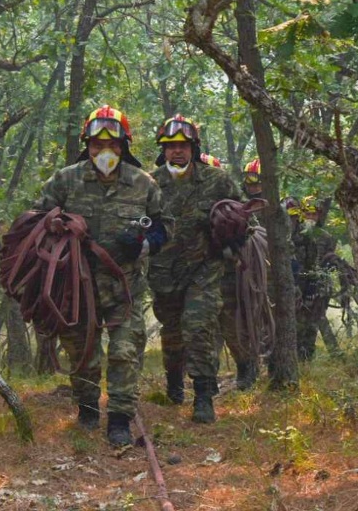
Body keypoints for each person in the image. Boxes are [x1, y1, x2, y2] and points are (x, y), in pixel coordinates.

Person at [32, 104, 170, 446]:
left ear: (123, 146)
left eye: (112, 145)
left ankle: (120, 419)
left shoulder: (144, 184)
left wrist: (143, 245)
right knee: (82, 353)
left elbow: (165, 226)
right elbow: (36, 220)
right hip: (76, 289)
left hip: (126, 287)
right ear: (87, 146)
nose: (104, 151)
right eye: (97, 145)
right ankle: (88, 410)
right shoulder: (65, 180)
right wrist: (56, 227)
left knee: (125, 351)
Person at [147, 114, 241, 423]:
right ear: (163, 149)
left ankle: (203, 396)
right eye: (171, 146)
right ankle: (174, 383)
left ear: (194, 148)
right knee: (173, 332)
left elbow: (244, 216)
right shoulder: (148, 183)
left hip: (204, 271)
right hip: (163, 274)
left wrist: (233, 238)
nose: (177, 151)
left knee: (199, 326)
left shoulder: (218, 180)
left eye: (183, 145)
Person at [217, 157, 266, 389]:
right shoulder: (229, 206)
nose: (252, 184)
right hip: (216, 277)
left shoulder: (264, 209)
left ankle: (253, 367)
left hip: (251, 277)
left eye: (256, 179)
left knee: (248, 323)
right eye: (249, 179)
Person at [290, 196, 339, 361]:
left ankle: (307, 358)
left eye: (314, 214)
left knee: (313, 323)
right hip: (297, 285)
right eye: (307, 214)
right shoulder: (294, 235)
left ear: (319, 216)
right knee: (296, 323)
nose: (310, 217)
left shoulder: (326, 237)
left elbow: (329, 261)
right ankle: (296, 357)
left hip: (318, 287)